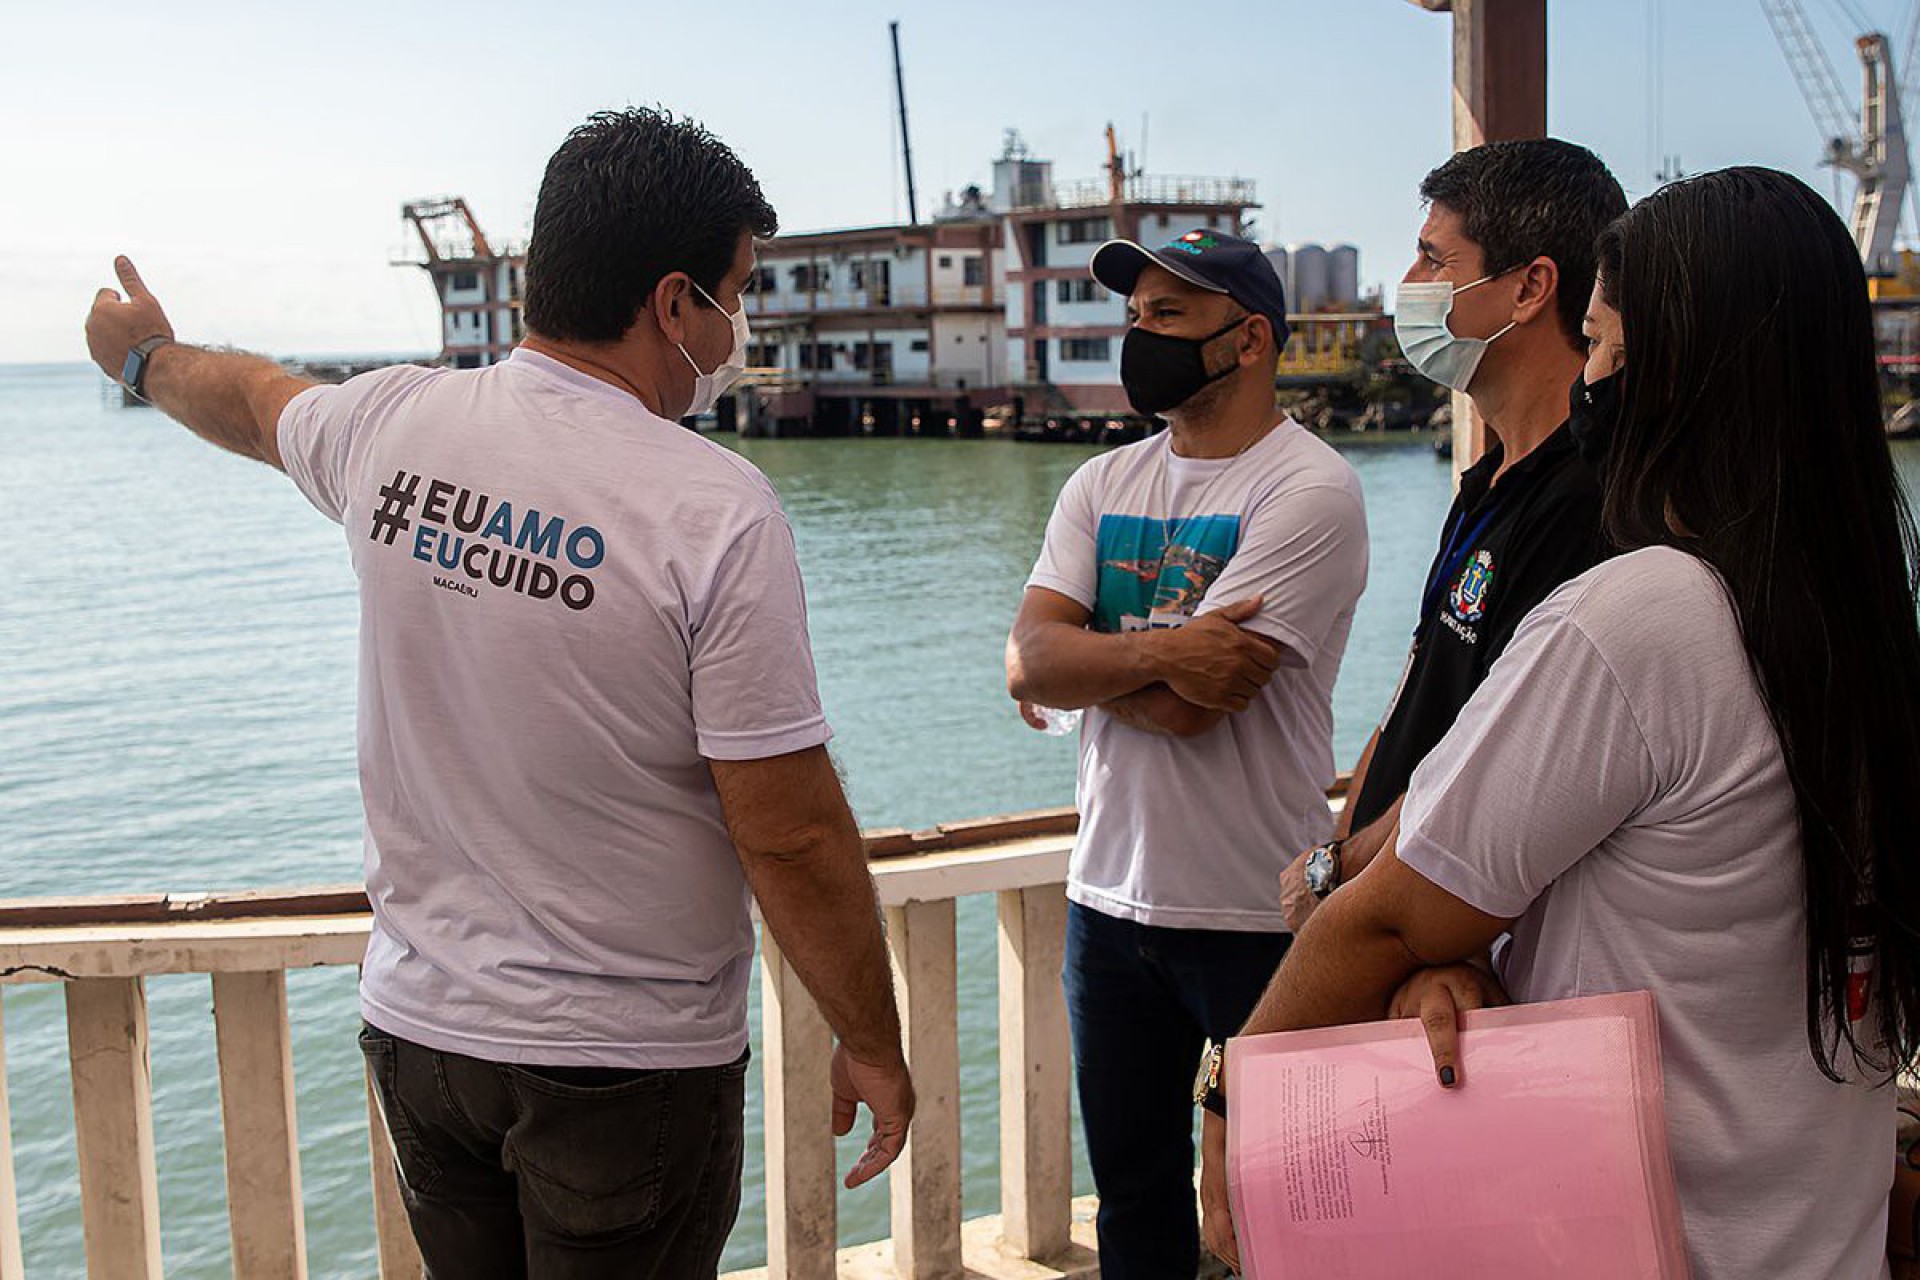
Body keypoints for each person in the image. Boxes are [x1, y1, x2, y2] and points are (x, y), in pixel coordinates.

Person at [83, 108, 915, 1278]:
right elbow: (789, 831)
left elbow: (255, 400)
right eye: (734, 294)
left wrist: (140, 359)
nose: (737, 330)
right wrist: (871, 1037)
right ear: (675, 304)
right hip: (627, 1065)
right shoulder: (712, 507)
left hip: (424, 1042)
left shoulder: (390, 422)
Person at [1202, 166, 1920, 1280]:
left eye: (1604, 343)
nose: (1593, 382)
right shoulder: (1861, 623)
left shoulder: (1645, 617)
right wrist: (1461, 957)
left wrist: (1228, 1095)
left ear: (1673, 369)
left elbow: (1385, 919)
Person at [1005, 229, 1368, 1276]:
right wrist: (1157, 656)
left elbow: (1197, 709)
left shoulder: (1309, 492)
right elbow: (1034, 661)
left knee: (1286, 1214)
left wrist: (1095, 663)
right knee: (1135, 1201)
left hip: (1260, 911)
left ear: (1248, 338)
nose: (1139, 336)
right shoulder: (1101, 482)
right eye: (1135, 315)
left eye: (1168, 316)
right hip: (1108, 904)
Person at [1277, 140, 1625, 929]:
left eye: (1434, 259)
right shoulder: (1489, 479)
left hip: (1430, 935)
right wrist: (1340, 854)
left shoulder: (1585, 506)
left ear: (1530, 287)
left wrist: (1338, 878)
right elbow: (1417, 695)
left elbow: (1496, 779)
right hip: (1374, 911)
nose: (1409, 287)